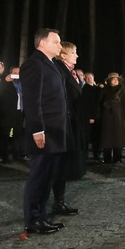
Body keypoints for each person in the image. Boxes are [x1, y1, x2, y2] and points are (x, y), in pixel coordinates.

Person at [20, 28, 67, 234]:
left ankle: (42, 216)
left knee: (48, 177)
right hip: (44, 131)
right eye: (56, 42)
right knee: (38, 176)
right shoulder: (33, 65)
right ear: (42, 43)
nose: (60, 45)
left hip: (55, 131)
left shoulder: (51, 64)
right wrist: (37, 130)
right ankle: (32, 220)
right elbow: (32, 101)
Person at [50, 41, 83, 216]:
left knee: (62, 166)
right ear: (63, 55)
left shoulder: (67, 71)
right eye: (74, 52)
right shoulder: (58, 71)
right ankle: (54, 203)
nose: (77, 55)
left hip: (69, 123)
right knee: (57, 166)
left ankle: (59, 201)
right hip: (61, 124)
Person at [100, 72, 125, 163]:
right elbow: (101, 103)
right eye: (113, 79)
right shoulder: (105, 89)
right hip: (107, 116)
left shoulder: (122, 89)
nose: (116, 80)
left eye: (117, 79)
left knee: (118, 138)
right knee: (107, 138)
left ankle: (118, 158)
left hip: (119, 117)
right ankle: (107, 158)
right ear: (109, 81)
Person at [0, 67, 26, 162]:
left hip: (20, 112)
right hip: (8, 112)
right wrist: (5, 81)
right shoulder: (6, 84)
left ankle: (17, 155)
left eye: (18, 73)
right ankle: (4, 156)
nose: (16, 75)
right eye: (14, 73)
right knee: (6, 135)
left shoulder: (23, 84)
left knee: (18, 134)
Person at [82, 72, 102, 160]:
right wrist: (91, 117)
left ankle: (96, 154)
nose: (90, 79)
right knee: (88, 137)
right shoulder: (85, 89)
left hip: (98, 116)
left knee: (97, 137)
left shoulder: (96, 88)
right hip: (90, 117)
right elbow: (87, 105)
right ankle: (85, 155)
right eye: (88, 78)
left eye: (91, 77)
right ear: (85, 79)